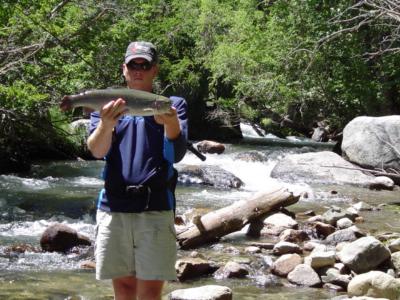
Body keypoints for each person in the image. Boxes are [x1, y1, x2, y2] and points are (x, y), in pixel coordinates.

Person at [87, 41, 188, 300]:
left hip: (154, 208)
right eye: (134, 64)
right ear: (124, 69)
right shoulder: (106, 103)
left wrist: (171, 123)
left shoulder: (171, 104)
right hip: (114, 206)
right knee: (124, 290)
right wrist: (106, 124)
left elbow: (175, 155)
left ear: (155, 70)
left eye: (145, 65)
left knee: (150, 293)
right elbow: (97, 151)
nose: (138, 70)